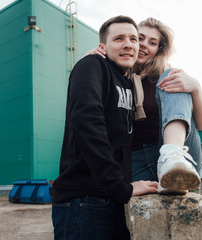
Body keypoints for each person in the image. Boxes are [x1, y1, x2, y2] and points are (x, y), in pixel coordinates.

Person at [51, 15, 158, 240]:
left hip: (113, 201)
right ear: (102, 46)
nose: (128, 44)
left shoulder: (127, 83)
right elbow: (87, 123)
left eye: (133, 39)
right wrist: (121, 187)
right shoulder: (92, 65)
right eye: (118, 39)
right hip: (83, 201)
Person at [86, 17, 202, 194]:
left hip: (173, 155)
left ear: (158, 50)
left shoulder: (166, 78)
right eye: (140, 38)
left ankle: (172, 157)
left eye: (152, 42)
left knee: (173, 76)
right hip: (135, 160)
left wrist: (196, 88)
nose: (144, 45)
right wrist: (93, 63)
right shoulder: (113, 75)